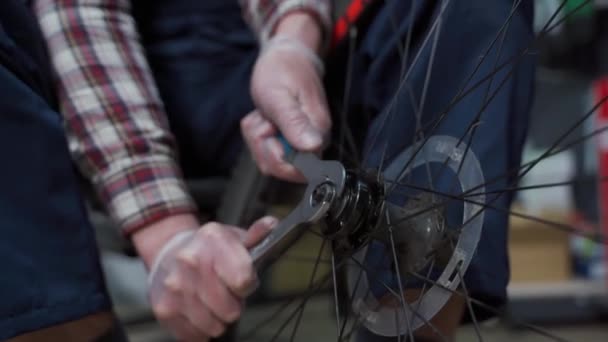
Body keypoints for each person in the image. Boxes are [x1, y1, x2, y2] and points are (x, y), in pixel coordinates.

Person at [2, 1, 535, 342]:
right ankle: (65, 330)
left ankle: (411, 318)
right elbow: (81, 18)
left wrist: (294, 40)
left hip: (290, 63)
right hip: (91, 82)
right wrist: (164, 233)